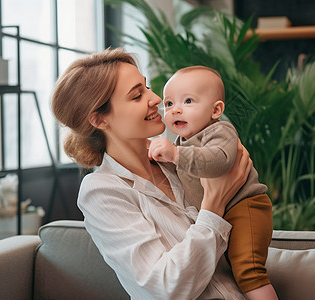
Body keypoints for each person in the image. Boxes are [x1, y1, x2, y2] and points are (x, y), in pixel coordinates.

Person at [51, 47, 255, 300]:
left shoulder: (180, 156)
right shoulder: (101, 191)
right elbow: (165, 287)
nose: (156, 98)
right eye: (137, 96)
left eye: (146, 87)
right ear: (100, 120)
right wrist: (214, 207)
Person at [148, 66, 278, 300]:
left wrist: (175, 155)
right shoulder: (181, 141)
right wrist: (163, 158)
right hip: (224, 214)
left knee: (250, 273)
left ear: (216, 109)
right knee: (234, 272)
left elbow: (220, 162)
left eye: (188, 101)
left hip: (246, 207)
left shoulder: (219, 131)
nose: (176, 109)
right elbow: (186, 171)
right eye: (169, 104)